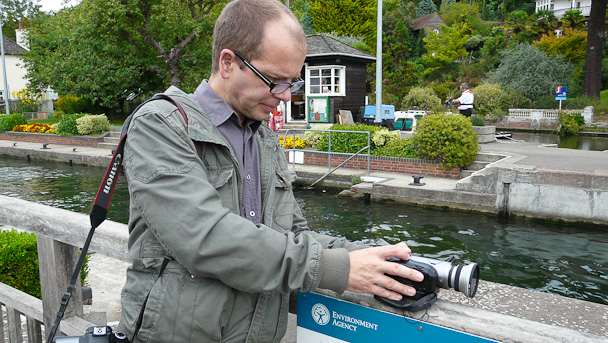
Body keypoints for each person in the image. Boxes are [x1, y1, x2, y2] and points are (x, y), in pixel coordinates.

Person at [119, 0, 423, 342]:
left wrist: (369, 259)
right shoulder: (160, 125)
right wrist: (336, 269)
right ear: (228, 62)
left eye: (292, 83)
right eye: (274, 81)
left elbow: (293, 235)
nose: (285, 97)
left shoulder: (265, 139)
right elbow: (205, 238)